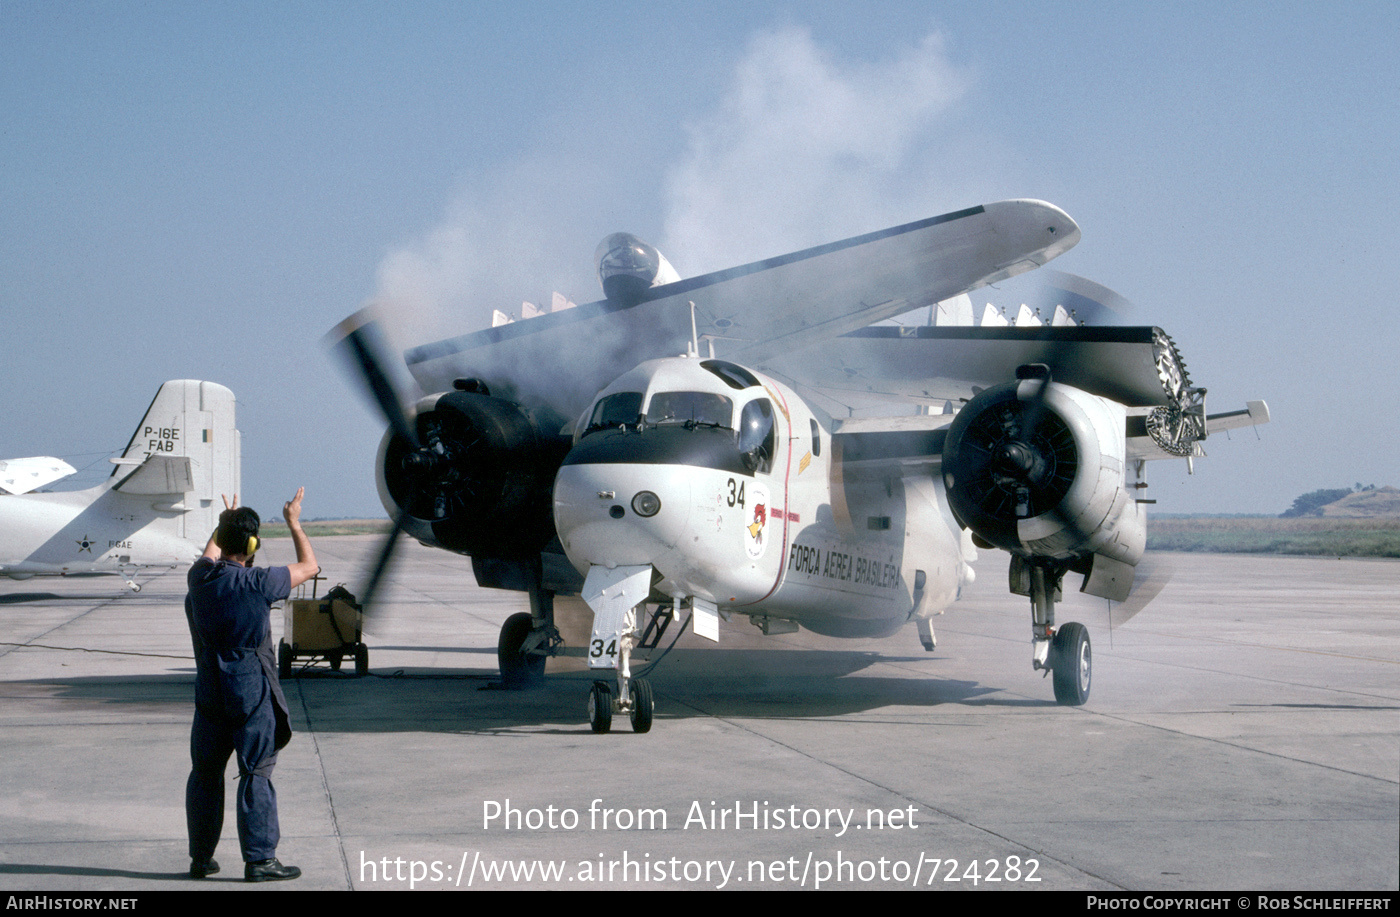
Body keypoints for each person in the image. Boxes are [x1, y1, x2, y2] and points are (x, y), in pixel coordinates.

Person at [184, 488, 318, 882]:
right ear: (254, 545)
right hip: (249, 688)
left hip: (210, 686)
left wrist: (226, 522)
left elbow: (211, 554)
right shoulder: (260, 582)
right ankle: (260, 860)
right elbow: (309, 566)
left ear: (222, 541)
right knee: (255, 770)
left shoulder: (200, 578)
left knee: (205, 772)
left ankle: (201, 859)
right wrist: (293, 520)